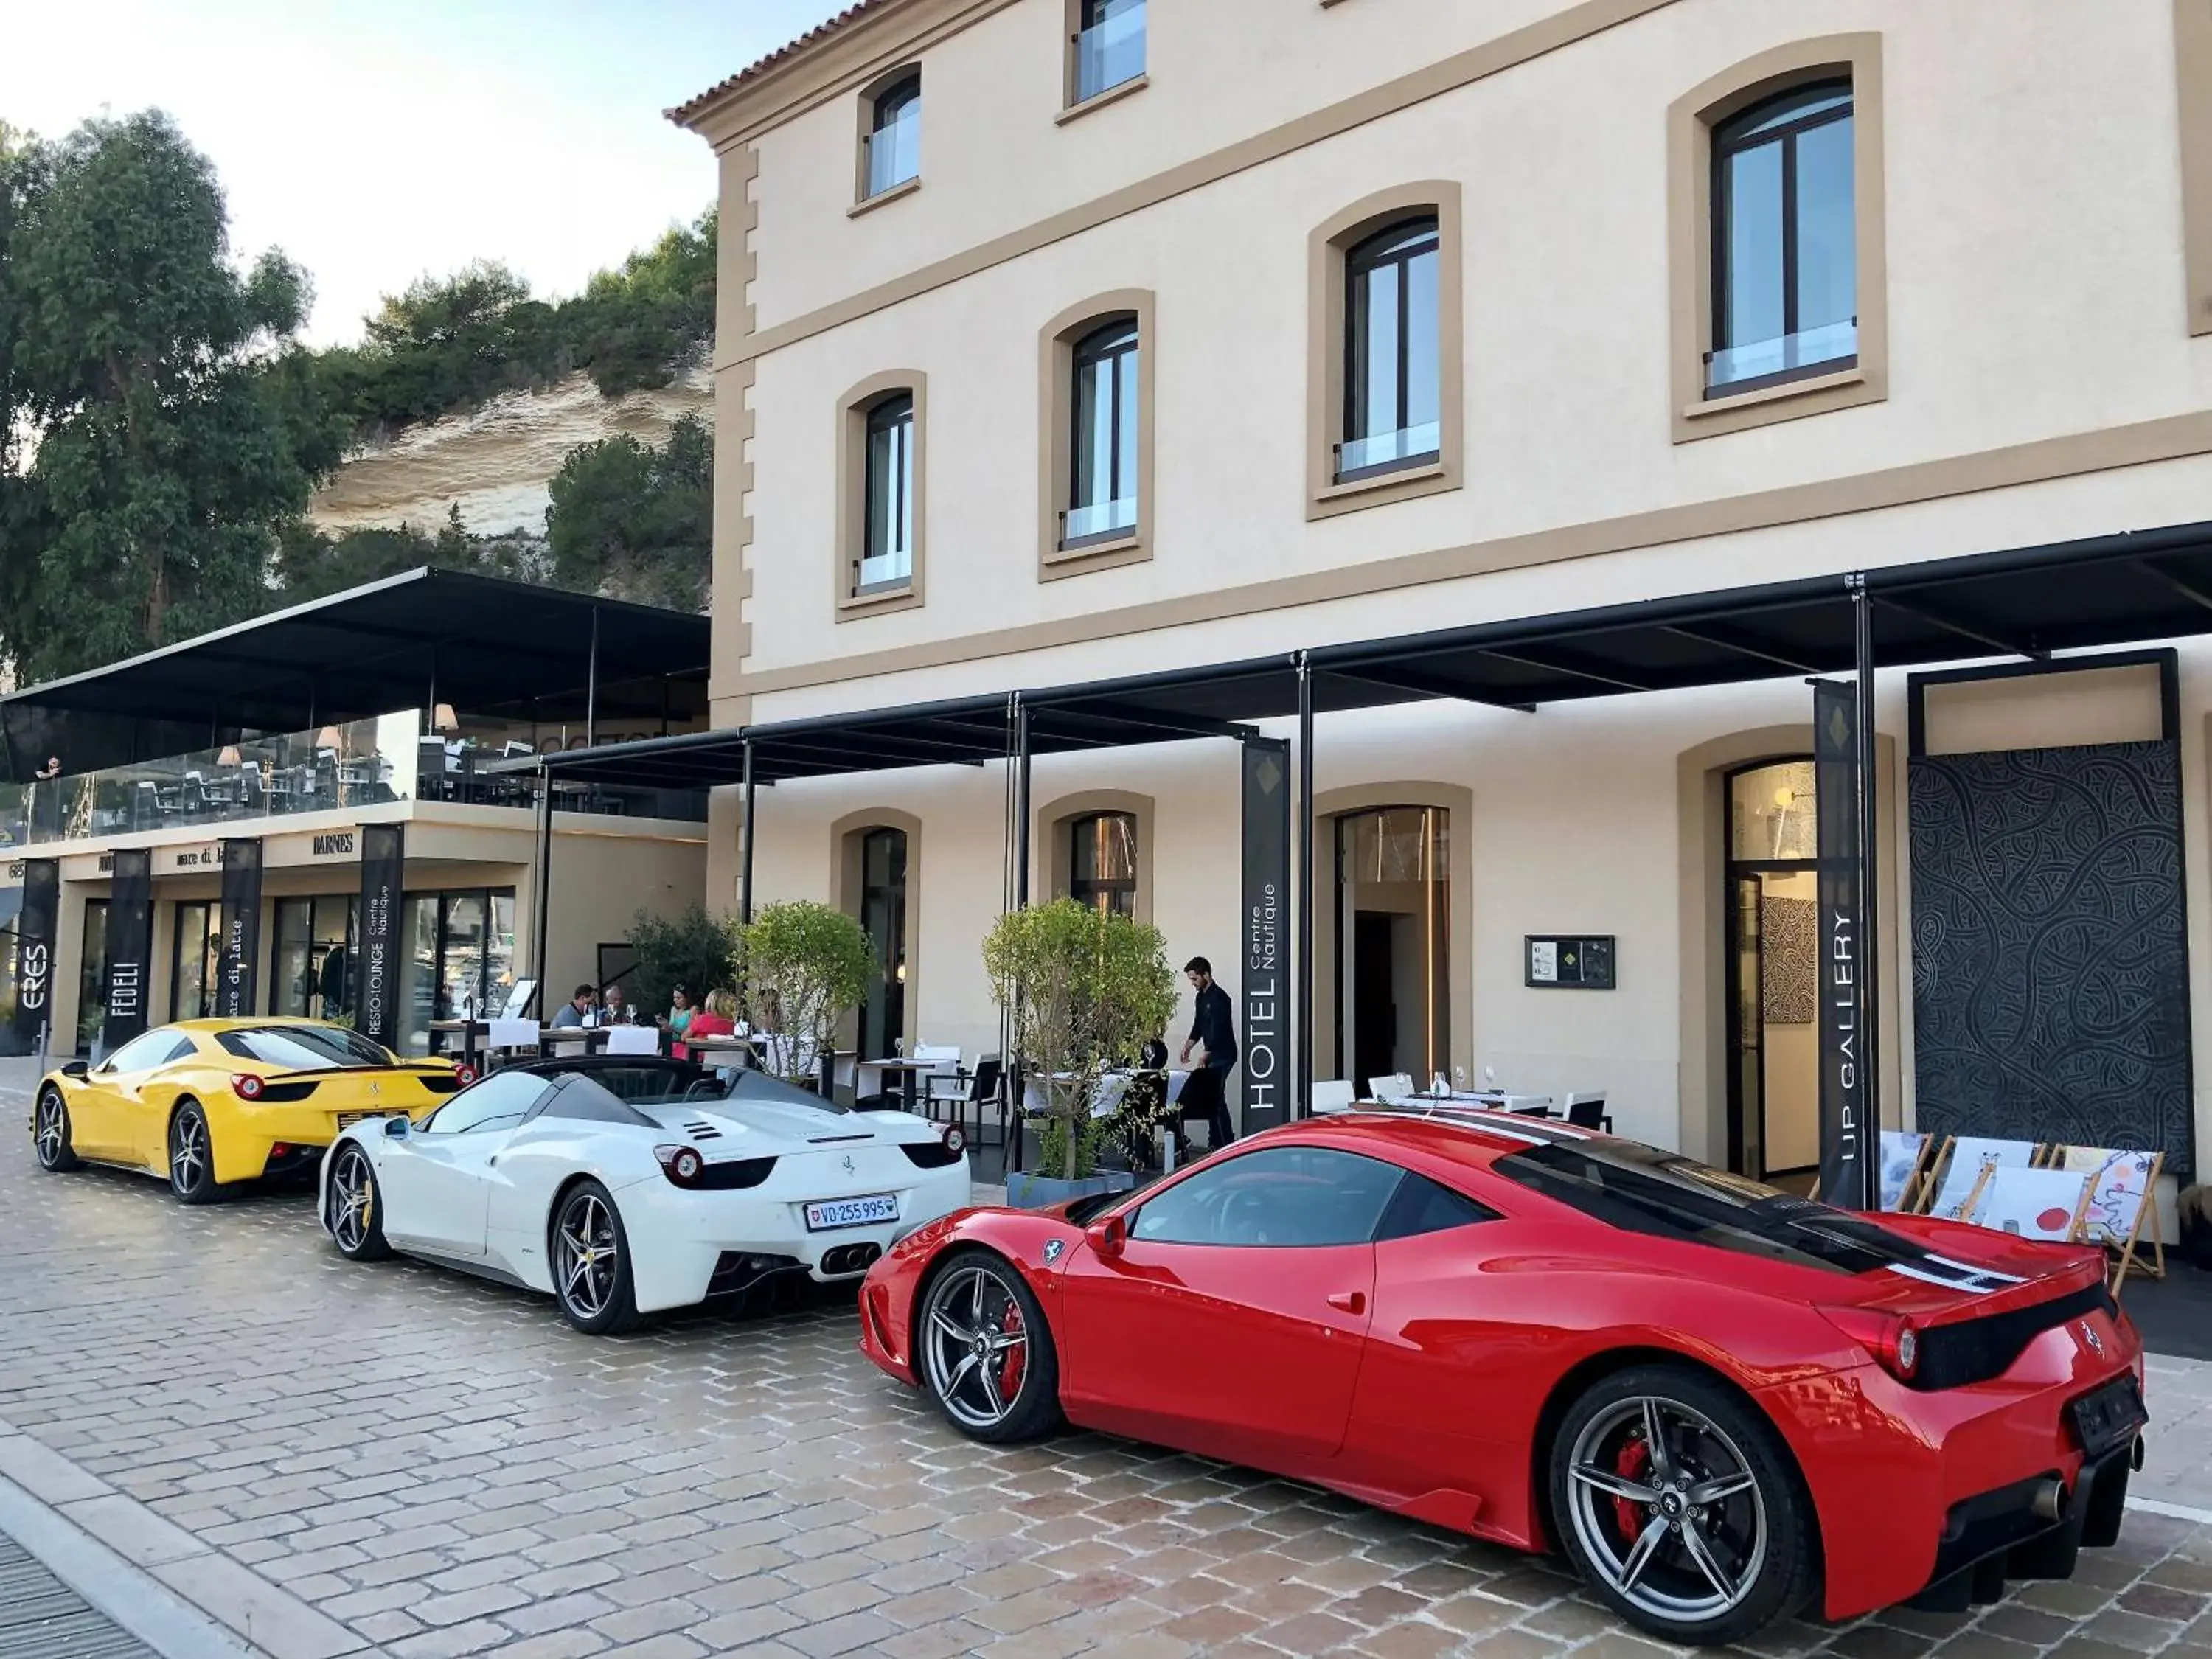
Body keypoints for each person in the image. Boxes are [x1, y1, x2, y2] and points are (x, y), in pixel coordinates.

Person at [1178, 956, 1239, 1151]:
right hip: (1212, 1054)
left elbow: (1218, 1030)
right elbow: (1199, 1026)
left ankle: (1225, 1143)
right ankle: (1218, 1142)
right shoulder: (1201, 997)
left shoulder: (1220, 998)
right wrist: (1188, 1046)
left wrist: (1206, 1053)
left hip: (1224, 1054)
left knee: (1216, 1098)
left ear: (1206, 975)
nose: (1193, 984)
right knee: (1214, 1098)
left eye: (1195, 979)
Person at [678, 990, 737, 1062]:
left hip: (700, 1061)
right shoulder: (731, 1024)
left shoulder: (702, 1019)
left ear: (709, 1003)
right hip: (725, 1062)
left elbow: (683, 1038)